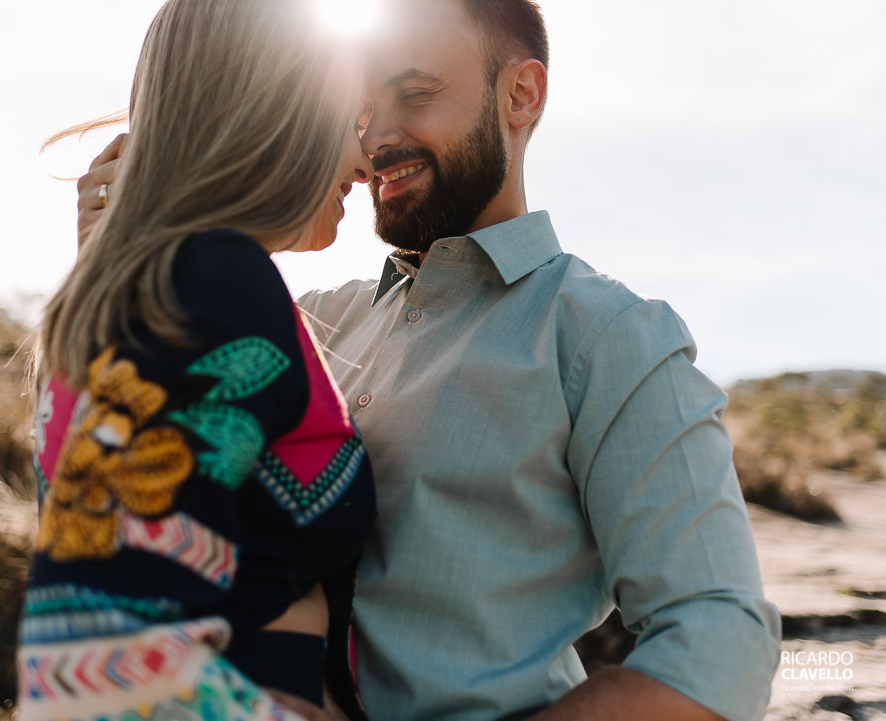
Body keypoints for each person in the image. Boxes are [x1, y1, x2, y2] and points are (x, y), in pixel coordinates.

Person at [77, 1, 782, 720]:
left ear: (521, 94)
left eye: (414, 97)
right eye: (360, 111)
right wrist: (118, 277)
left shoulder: (608, 334)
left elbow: (721, 645)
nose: (377, 137)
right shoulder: (304, 319)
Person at [18, 1, 379, 720]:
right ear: (282, 111)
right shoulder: (215, 282)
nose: (366, 165)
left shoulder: (146, 292)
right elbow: (97, 667)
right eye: (354, 122)